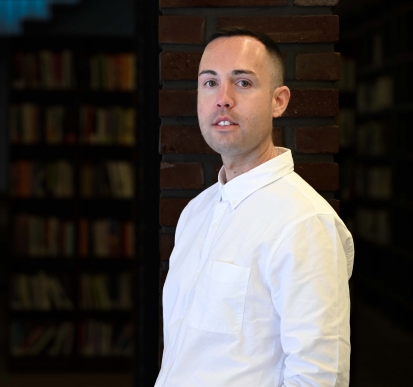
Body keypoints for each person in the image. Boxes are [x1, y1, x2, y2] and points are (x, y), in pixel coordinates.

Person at [155, 27, 354, 387]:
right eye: (209, 83)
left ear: (279, 101)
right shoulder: (196, 212)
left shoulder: (305, 222)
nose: (223, 98)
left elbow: (319, 377)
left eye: (243, 83)